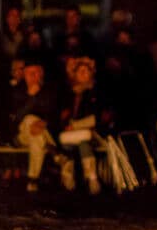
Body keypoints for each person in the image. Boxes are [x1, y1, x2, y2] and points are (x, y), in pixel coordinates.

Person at [11, 59, 60, 192]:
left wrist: (44, 123)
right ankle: (53, 150)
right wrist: (31, 98)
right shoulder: (17, 91)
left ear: (41, 74)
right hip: (20, 136)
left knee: (36, 137)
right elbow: (16, 119)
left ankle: (33, 180)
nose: (33, 77)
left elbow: (55, 114)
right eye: (29, 73)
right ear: (24, 75)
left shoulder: (49, 91)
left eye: (36, 73)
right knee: (29, 119)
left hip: (37, 134)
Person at [58, 58, 102, 194]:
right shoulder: (69, 94)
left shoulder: (95, 92)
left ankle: (90, 178)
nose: (83, 74)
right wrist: (66, 123)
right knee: (68, 143)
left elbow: (97, 117)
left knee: (83, 142)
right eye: (80, 71)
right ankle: (84, 177)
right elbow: (62, 115)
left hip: (92, 133)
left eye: (86, 71)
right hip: (71, 134)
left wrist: (75, 125)